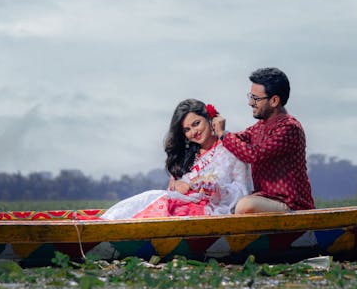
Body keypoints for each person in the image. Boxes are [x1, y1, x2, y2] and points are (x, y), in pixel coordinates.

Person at [100, 99, 252, 219]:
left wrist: (215, 188)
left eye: (196, 124)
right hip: (180, 206)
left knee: (157, 202)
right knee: (151, 198)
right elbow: (174, 189)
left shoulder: (232, 147)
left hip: (210, 212)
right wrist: (178, 184)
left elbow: (243, 190)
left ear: (209, 118)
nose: (194, 132)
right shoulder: (188, 155)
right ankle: (105, 223)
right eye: (187, 129)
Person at [213, 67, 314, 213]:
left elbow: (254, 154)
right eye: (250, 96)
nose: (250, 103)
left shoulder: (289, 128)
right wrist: (213, 129)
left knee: (244, 206)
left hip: (291, 205)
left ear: (274, 101)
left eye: (256, 98)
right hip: (266, 200)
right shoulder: (259, 127)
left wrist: (223, 134)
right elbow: (238, 139)